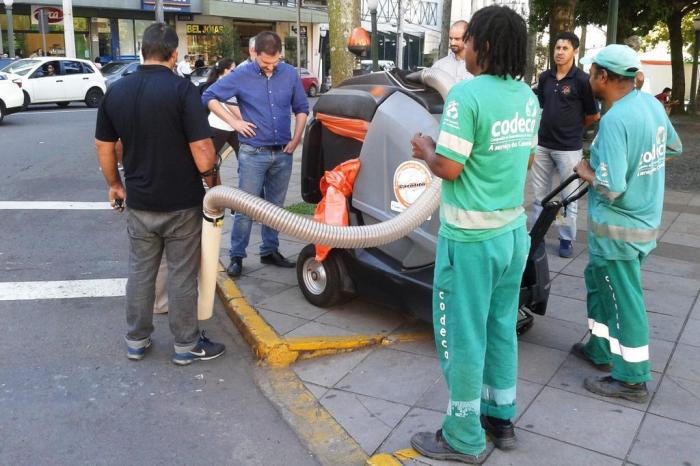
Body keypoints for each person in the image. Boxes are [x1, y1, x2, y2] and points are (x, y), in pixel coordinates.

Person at [408, 6, 538, 463]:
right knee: (501, 328)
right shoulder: (527, 97)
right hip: (511, 234)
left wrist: (426, 149)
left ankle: (462, 436)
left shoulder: (467, 97)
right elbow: (524, 162)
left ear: (483, 44)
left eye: (468, 39)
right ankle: (500, 420)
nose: (461, 46)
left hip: (469, 241)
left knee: (462, 337)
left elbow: (449, 167)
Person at [94, 23, 226, 365]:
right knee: (182, 275)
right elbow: (202, 150)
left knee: (140, 273)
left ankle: (136, 340)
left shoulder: (116, 91)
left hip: (139, 202)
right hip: (181, 203)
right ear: (174, 54)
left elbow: (105, 147)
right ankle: (185, 346)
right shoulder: (183, 91)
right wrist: (214, 186)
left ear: (141, 51)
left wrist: (114, 185)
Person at [572, 44, 682, 403]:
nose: (588, 78)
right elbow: (673, 147)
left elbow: (613, 186)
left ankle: (632, 377)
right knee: (598, 283)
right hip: (643, 223)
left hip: (620, 230)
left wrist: (587, 171)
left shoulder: (617, 120)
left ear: (604, 77)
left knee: (623, 299)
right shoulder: (650, 104)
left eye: (591, 73)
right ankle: (600, 349)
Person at [202, 31, 309, 278]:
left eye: (274, 63)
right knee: (246, 209)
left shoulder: (290, 74)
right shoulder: (241, 74)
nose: (270, 68)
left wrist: (296, 138)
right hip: (252, 153)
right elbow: (209, 96)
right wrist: (235, 122)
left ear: (281, 54)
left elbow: (302, 108)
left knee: (275, 208)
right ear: (254, 53)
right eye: (264, 63)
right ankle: (237, 256)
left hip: (283, 152)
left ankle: (269, 250)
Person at [530, 31, 599, 258]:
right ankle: (537, 237)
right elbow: (541, 107)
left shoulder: (581, 80)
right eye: (557, 48)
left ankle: (566, 238)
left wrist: (574, 128)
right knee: (540, 195)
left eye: (565, 48)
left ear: (575, 51)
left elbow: (592, 115)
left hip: (569, 148)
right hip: (542, 145)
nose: (559, 52)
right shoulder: (545, 78)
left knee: (568, 197)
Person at [201, 58, 241, 157]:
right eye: (233, 69)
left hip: (233, 126)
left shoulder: (223, 83)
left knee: (244, 157)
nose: (235, 72)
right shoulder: (222, 84)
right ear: (225, 70)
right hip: (219, 126)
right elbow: (230, 104)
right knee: (209, 159)